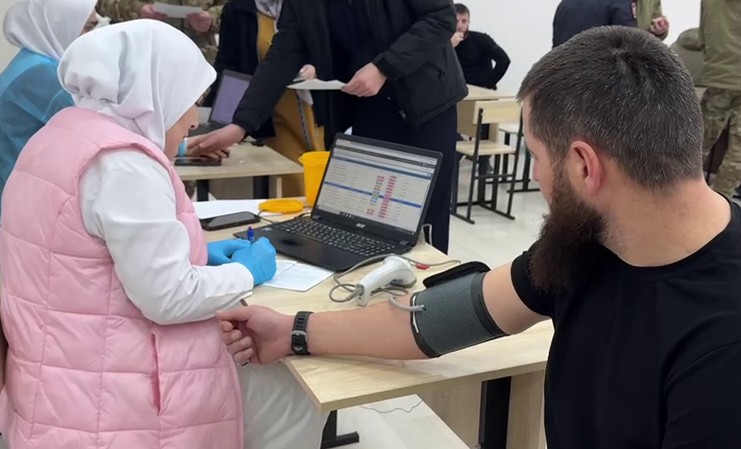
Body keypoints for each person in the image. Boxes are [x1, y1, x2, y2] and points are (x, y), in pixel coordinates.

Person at [220, 27, 741, 449]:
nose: (535, 175)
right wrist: (294, 330)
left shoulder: (721, 351)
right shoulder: (594, 238)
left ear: (584, 166)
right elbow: (439, 320)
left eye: (535, 155)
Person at [0, 19, 322, 449]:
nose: (191, 122)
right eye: (190, 103)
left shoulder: (59, 136)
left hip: (56, 385)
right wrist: (248, 272)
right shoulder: (125, 164)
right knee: (295, 392)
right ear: (154, 92)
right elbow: (168, 298)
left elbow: (87, 257)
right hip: (113, 401)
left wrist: (200, 254)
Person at [189, 0, 468, 253]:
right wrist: (241, 124)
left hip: (427, 104)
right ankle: (381, 284)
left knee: (426, 213)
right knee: (371, 215)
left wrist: (384, 67)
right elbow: (283, 54)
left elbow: (441, 18)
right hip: (368, 107)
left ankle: (433, 286)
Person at [204, 0, 323, 197]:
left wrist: (316, 66)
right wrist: (221, 117)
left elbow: (331, 47)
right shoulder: (238, 9)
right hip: (264, 110)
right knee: (290, 177)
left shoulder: (308, 7)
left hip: (311, 107)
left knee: (318, 170)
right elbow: (228, 65)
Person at [0, 0, 98, 208]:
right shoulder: (44, 75)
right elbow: (94, 134)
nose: (94, 37)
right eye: (88, 27)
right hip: (18, 201)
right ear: (61, 25)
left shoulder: (32, 62)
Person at [699, 0, 741, 199]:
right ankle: (721, 200)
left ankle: (674, 191)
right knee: (738, 152)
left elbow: (702, 35)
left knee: (695, 141)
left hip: (719, 72)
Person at [96, 0, 223, 64]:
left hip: (199, 60)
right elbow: (100, 3)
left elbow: (231, 6)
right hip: (138, 58)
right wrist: (137, 10)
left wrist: (213, 18)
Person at [452, 3, 510, 91]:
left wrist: (489, 84)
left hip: (481, 90)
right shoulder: (444, 42)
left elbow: (504, 60)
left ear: (468, 22)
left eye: (464, 21)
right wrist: (450, 44)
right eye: (456, 21)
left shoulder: (481, 39)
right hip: (456, 91)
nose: (460, 26)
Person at [552, 0, 636, 47]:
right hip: (600, 70)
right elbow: (631, 44)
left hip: (564, 69)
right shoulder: (619, 3)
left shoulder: (564, 4)